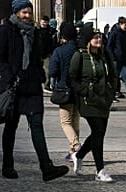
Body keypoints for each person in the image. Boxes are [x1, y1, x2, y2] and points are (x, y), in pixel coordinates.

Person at [0, 0, 69, 182]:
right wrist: (10, 75)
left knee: (37, 126)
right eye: (24, 12)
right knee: (11, 127)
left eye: (29, 12)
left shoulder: (35, 32)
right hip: (14, 86)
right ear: (16, 12)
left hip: (32, 86)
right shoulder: (6, 31)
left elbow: (37, 56)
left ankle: (46, 167)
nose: (27, 15)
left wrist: (41, 74)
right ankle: (7, 165)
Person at [68, 27, 121, 182]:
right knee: (98, 132)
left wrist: (111, 91)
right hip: (88, 101)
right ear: (87, 40)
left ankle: (78, 155)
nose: (99, 40)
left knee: (99, 133)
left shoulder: (105, 55)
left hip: (104, 99)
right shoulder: (79, 56)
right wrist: (84, 91)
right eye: (95, 37)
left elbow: (112, 74)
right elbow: (72, 77)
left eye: (100, 37)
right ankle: (100, 170)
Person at [47, 22, 82, 159]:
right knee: (75, 121)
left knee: (66, 122)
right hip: (78, 90)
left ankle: (76, 145)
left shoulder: (59, 51)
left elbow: (53, 72)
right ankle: (72, 152)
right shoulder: (81, 50)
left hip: (64, 89)